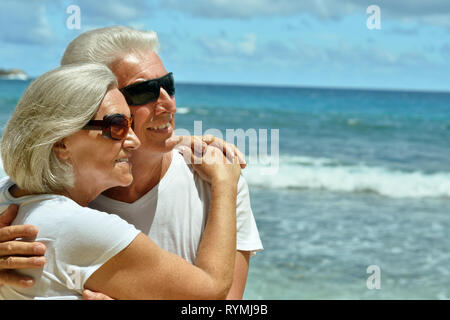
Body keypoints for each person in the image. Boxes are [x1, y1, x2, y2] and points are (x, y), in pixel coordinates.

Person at [0, 26, 263, 299]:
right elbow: (209, 292)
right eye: (143, 92)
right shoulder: (52, 204)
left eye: (168, 86)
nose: (169, 105)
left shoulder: (218, 183)